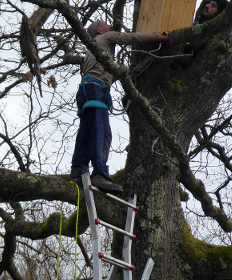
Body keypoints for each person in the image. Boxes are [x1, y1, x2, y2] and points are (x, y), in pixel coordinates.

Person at [71, 20, 167, 193]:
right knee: (102, 131)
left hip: (86, 90)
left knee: (86, 130)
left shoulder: (93, 51)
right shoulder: (106, 38)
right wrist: (157, 37)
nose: (110, 27)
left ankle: (77, 170)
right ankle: (100, 174)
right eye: (106, 25)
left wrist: (127, 73)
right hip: (96, 89)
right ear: (100, 30)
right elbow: (130, 38)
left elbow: (105, 73)